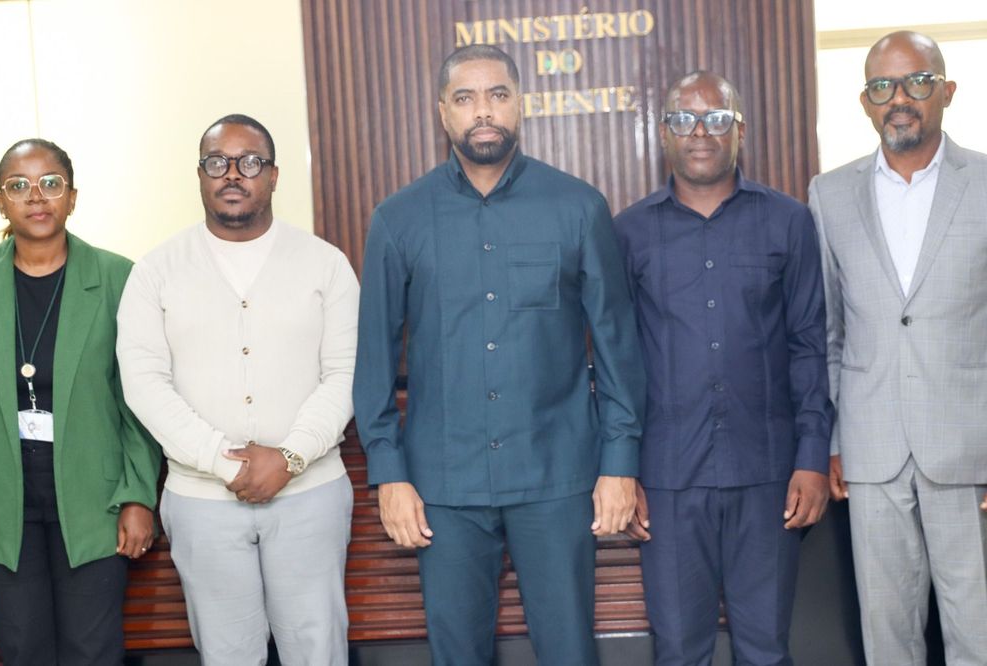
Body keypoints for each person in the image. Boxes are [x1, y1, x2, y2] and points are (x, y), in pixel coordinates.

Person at [353, 44, 645, 666]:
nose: (482, 111)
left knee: (570, 653)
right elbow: (373, 360)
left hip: (556, 477)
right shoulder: (398, 220)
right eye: (465, 98)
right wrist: (389, 474)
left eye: (497, 95)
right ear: (443, 112)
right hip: (444, 485)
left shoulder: (578, 207)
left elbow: (617, 346)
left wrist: (620, 463)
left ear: (521, 105)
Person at [115, 114, 359, 665]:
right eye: (216, 162)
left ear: (273, 175)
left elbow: (345, 375)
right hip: (202, 500)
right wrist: (225, 464)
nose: (232, 174)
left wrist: (290, 457)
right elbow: (144, 384)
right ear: (199, 175)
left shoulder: (326, 264)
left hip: (310, 493)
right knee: (226, 655)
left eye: (249, 162)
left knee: (317, 650)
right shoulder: (155, 272)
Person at [614, 71, 832, 665]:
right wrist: (621, 468)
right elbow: (615, 361)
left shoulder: (788, 221)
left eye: (716, 118)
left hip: (768, 473)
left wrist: (813, 458)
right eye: (684, 119)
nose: (700, 132)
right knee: (679, 651)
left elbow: (810, 344)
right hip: (666, 478)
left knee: (765, 650)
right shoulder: (628, 232)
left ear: (740, 129)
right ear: (664, 133)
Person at [808, 31, 987, 665]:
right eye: (883, 86)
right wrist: (834, 438)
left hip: (968, 449)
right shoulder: (829, 194)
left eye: (917, 81)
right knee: (887, 636)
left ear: (947, 91)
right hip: (871, 448)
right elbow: (827, 332)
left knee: (977, 633)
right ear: (866, 102)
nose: (899, 99)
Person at [0, 139, 161, 664]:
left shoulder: (117, 278)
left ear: (72, 197)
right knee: (22, 648)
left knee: (93, 649)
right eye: (19, 185)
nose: (36, 196)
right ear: (1, 202)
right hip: (2, 500)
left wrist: (138, 495)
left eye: (50, 183)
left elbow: (139, 399)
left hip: (95, 499)